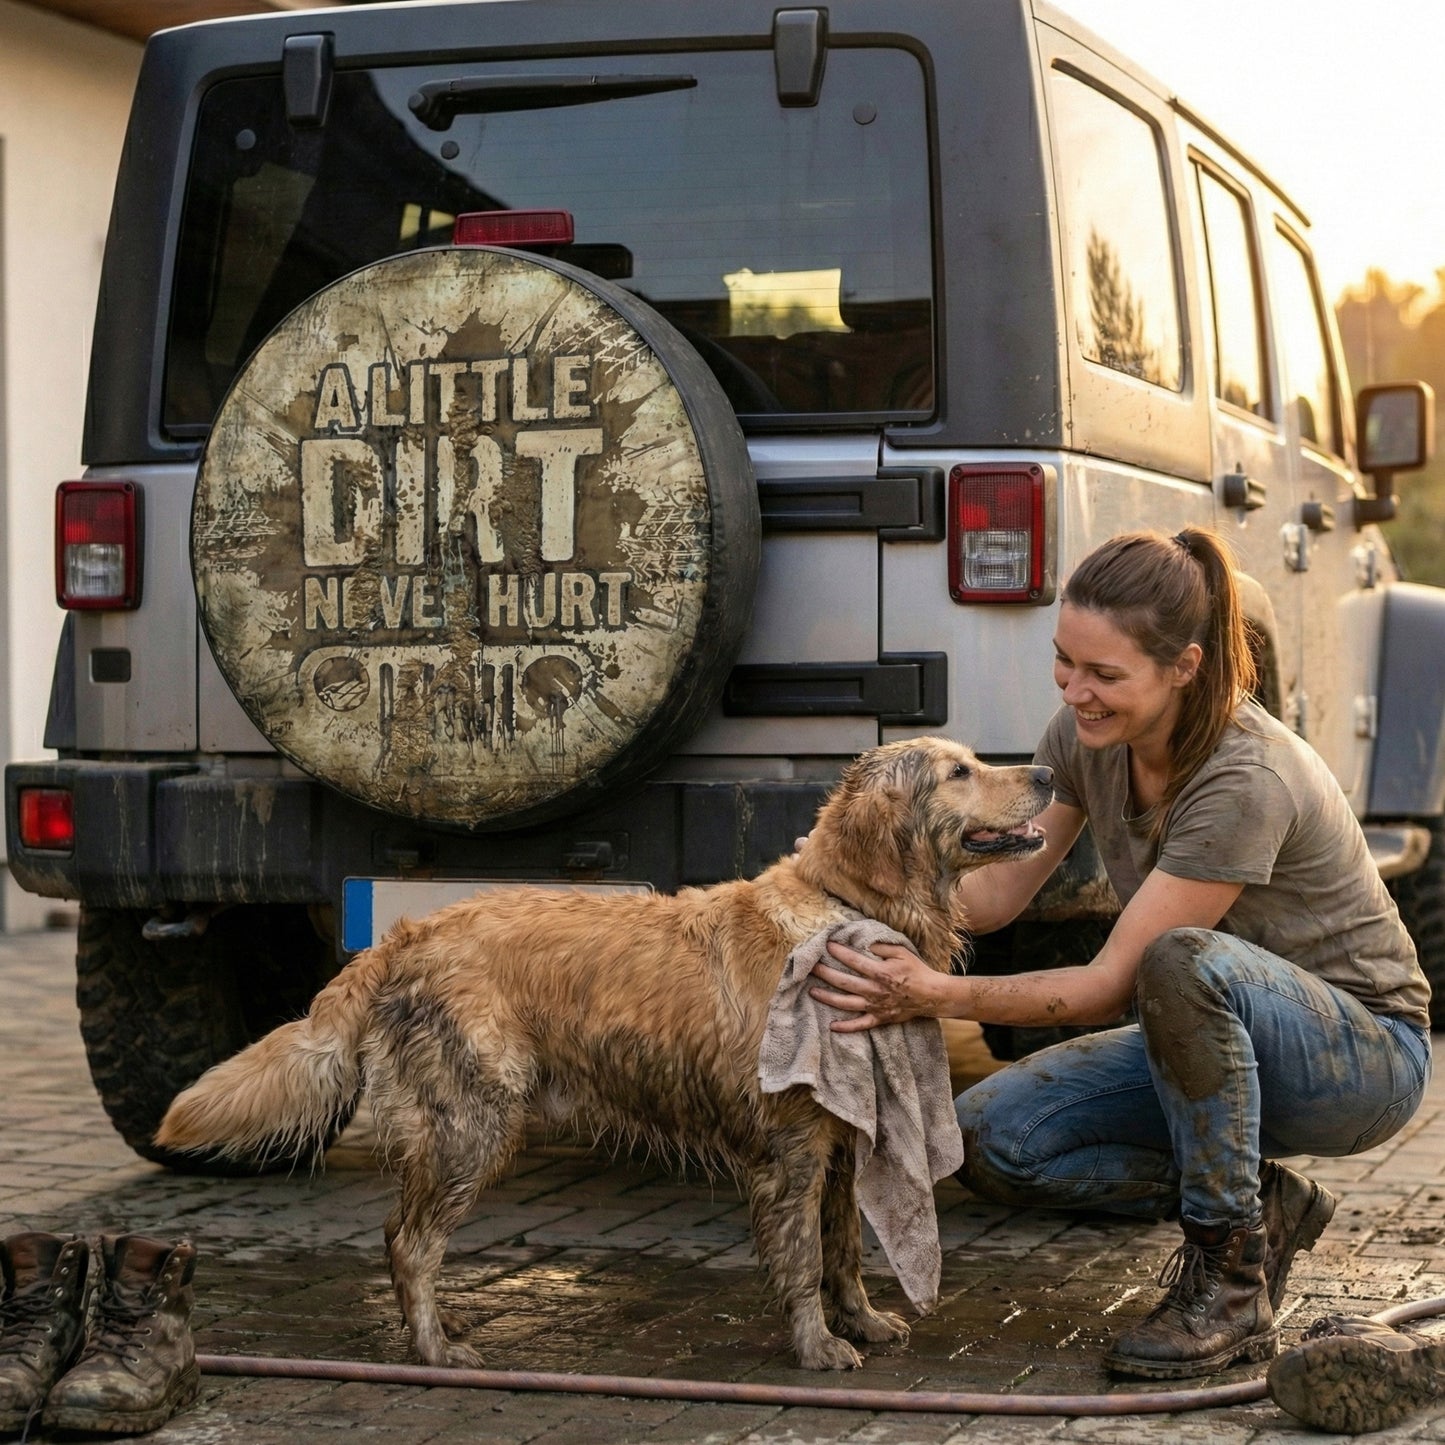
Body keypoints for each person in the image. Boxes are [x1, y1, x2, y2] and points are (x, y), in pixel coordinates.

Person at [808, 526, 1432, 1380]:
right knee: (992, 1139)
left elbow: (1108, 986)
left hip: (1359, 1055)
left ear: (1184, 665)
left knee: (1175, 958)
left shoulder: (1246, 777)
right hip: (1209, 1035)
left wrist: (930, 993)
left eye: (1104, 674)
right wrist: (849, 895)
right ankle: (1262, 1202)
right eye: (1065, 661)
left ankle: (1230, 1282)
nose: (1075, 690)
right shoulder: (1083, 738)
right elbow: (991, 899)